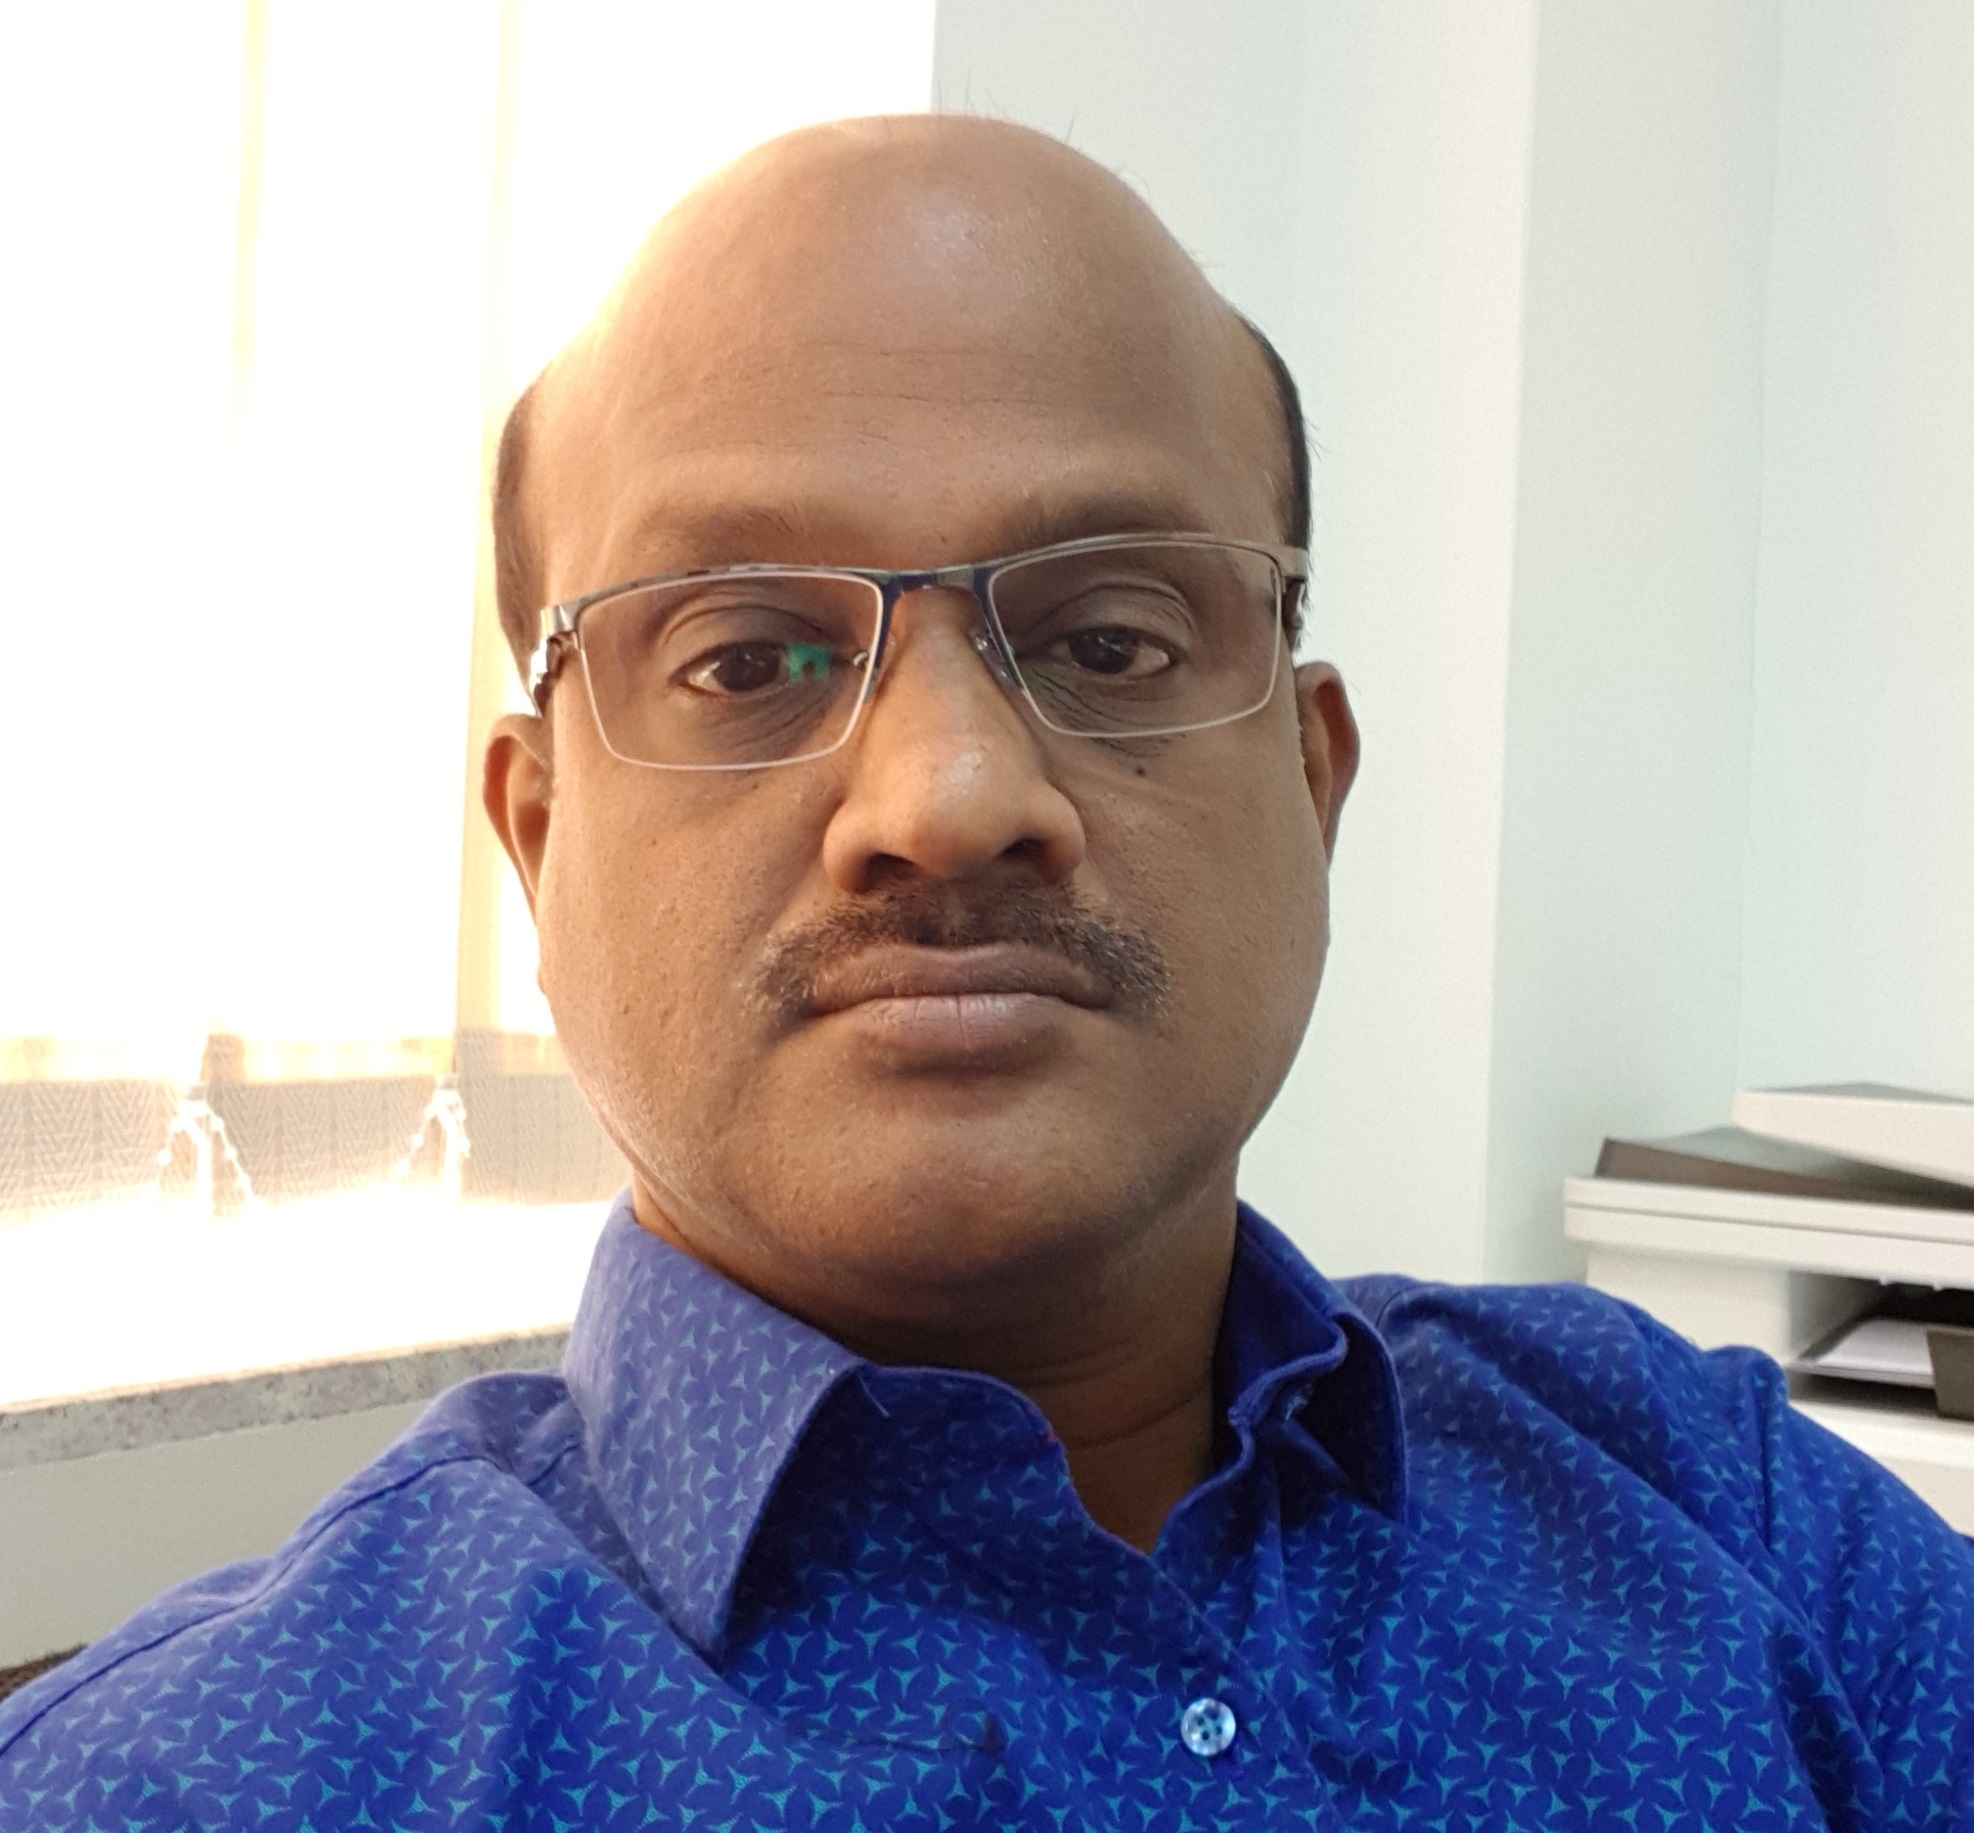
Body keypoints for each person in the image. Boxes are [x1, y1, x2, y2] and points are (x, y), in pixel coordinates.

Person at [2, 113, 1970, 1832]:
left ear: (1313, 783)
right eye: (747, 656)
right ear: (537, 836)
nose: (947, 799)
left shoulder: (1731, 1514)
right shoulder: (196, 1783)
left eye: (1112, 638)